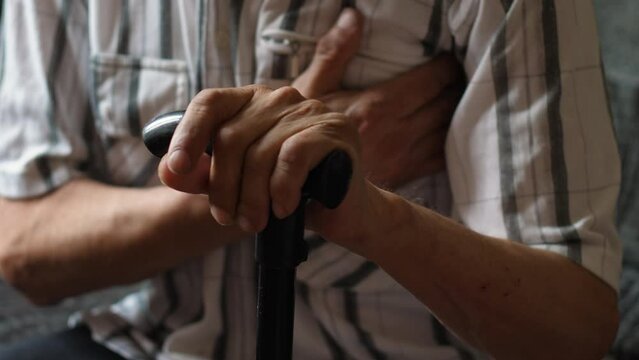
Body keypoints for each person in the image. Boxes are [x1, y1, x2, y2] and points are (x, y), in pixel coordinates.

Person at [0, 1, 620, 359]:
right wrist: (287, 172)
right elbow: (25, 247)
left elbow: (571, 331)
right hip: (142, 344)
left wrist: (374, 215)